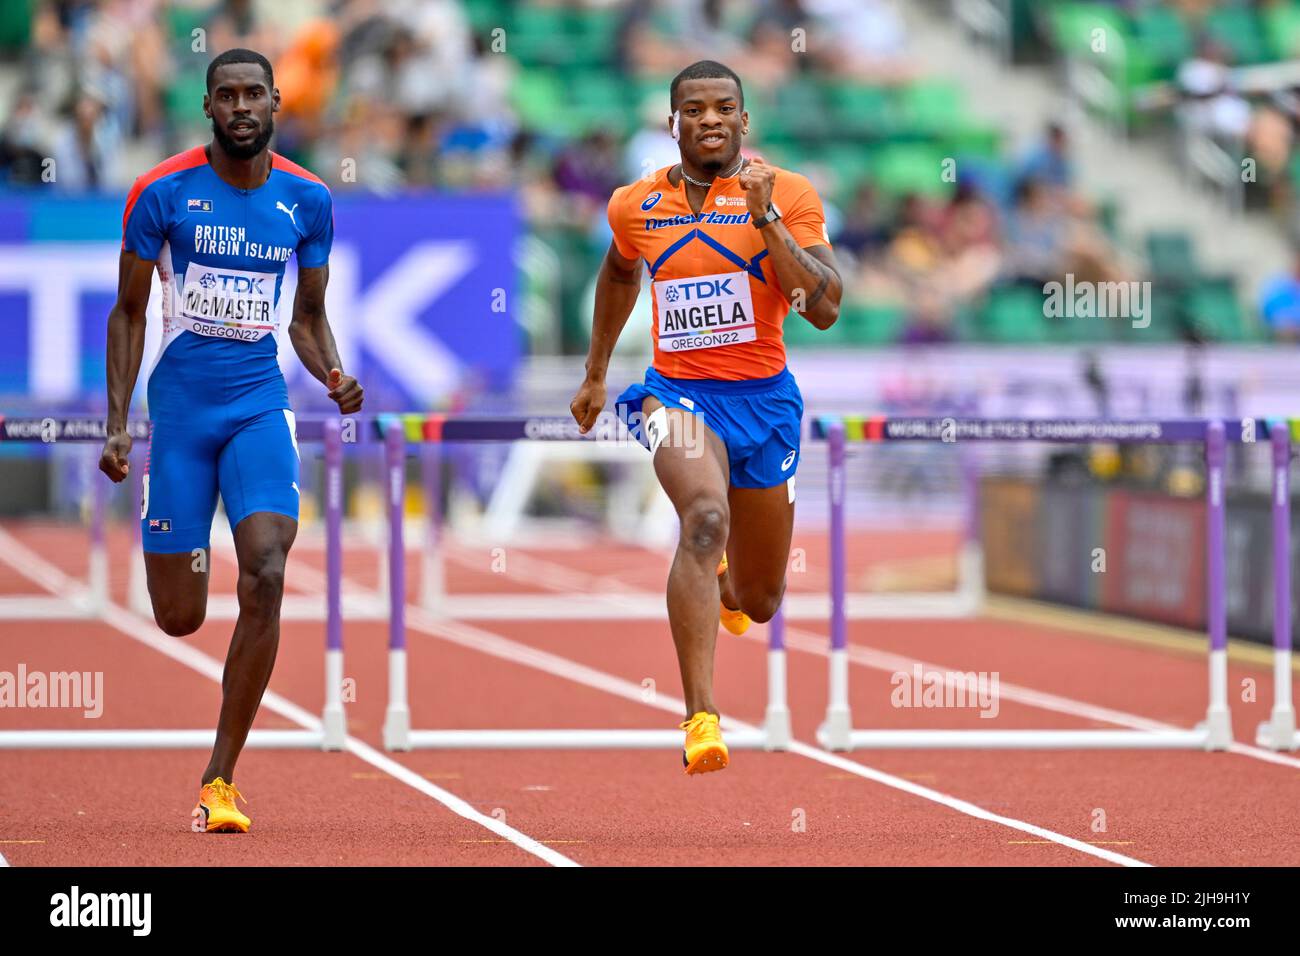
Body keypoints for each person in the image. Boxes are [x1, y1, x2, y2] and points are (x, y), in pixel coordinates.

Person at [98, 48, 363, 832]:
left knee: (269, 573)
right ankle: (187, 541)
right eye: (227, 96)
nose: (242, 106)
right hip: (180, 413)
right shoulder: (162, 192)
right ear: (208, 108)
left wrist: (333, 373)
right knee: (179, 616)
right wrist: (117, 423)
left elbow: (306, 318)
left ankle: (220, 777)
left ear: (278, 103)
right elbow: (128, 312)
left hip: (258, 403)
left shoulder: (307, 200)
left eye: (255, 94)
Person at [569, 60, 842, 775]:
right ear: (673, 123)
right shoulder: (636, 204)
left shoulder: (789, 192)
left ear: (744, 121)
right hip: (678, 393)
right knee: (703, 519)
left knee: (761, 598)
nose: (710, 119)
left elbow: (825, 306)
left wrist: (765, 220)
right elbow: (620, 271)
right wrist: (597, 373)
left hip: (767, 403)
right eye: (694, 109)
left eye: (724, 107)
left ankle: (724, 588)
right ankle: (701, 715)